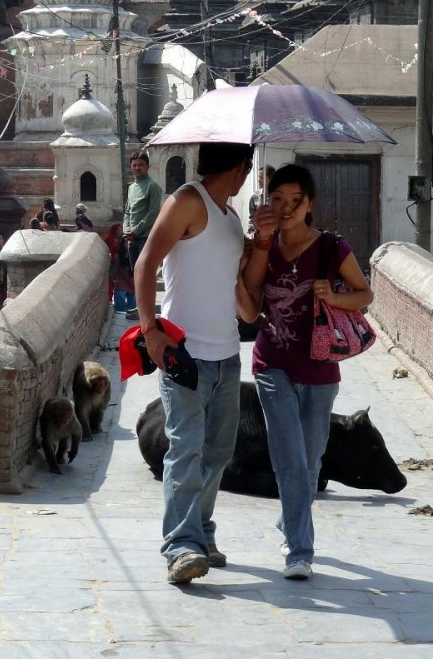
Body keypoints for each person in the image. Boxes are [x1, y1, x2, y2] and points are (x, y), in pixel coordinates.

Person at [240, 164, 372, 581]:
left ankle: (289, 519)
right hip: (271, 362)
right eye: (277, 199)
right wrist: (261, 243)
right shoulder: (264, 245)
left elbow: (364, 295)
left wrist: (334, 295)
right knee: (289, 459)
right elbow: (253, 299)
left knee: (311, 461)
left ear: (309, 204)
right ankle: (299, 550)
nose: (285, 208)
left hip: (320, 367)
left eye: (295, 201)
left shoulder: (333, 248)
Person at [133, 141, 255, 585]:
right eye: (247, 167)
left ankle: (201, 530)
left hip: (226, 354)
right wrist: (151, 330)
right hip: (183, 354)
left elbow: (244, 302)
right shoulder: (187, 200)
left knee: (219, 451)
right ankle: (180, 546)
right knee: (186, 448)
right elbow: (145, 264)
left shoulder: (231, 219)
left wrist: (255, 251)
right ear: (240, 167)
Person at [123, 151, 163, 319]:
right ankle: (140, 308)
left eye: (140, 165)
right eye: (134, 165)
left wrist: (137, 230)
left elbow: (153, 212)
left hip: (145, 237)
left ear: (147, 167)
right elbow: (127, 211)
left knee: (146, 274)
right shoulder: (132, 187)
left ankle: (148, 310)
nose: (137, 168)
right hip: (131, 237)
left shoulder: (153, 186)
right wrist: (126, 229)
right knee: (136, 274)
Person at [247, 164, 275, 235]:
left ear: (270, 179)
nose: (259, 180)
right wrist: (251, 234)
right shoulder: (255, 197)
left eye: (261, 178)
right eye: (258, 177)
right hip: (259, 237)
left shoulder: (278, 197)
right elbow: (252, 219)